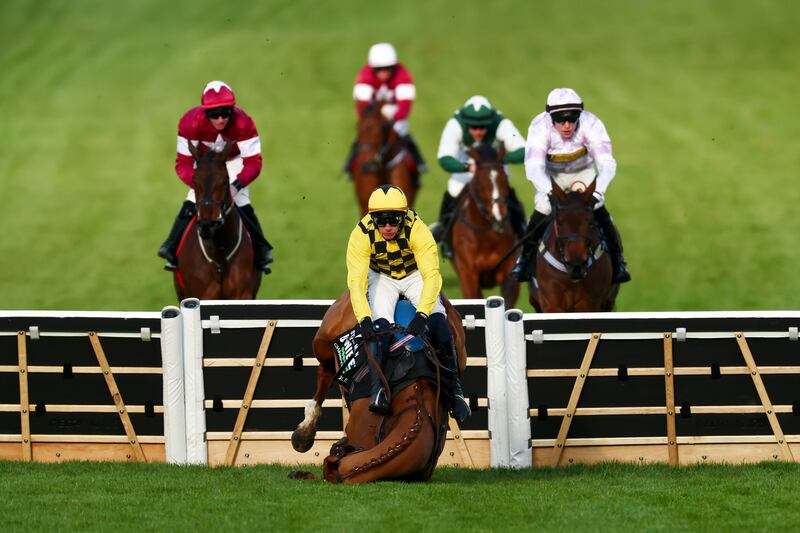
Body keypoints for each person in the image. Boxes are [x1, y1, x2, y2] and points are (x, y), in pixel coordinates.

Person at [346, 185, 470, 422]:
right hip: (381, 277)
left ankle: (455, 391)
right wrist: (364, 318)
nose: (388, 227)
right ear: (372, 219)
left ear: (403, 217)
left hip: (414, 275)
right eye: (381, 221)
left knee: (438, 323)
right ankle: (378, 390)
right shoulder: (361, 234)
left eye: (393, 220)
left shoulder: (418, 229)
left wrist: (422, 314)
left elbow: (432, 275)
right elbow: (356, 281)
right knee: (379, 329)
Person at [512, 87, 631, 283]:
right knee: (544, 207)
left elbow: (607, 164)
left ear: (579, 115)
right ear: (551, 117)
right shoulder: (539, 126)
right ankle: (524, 261)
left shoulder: (591, 123)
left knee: (598, 208)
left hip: (582, 173)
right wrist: (550, 193)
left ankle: (618, 261)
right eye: (560, 120)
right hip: (553, 176)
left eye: (572, 119)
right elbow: (533, 167)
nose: (567, 126)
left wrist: (597, 193)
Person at [157, 80, 273, 273]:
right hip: (204, 164)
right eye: (214, 114)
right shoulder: (190, 122)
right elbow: (183, 163)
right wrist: (200, 186)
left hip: (233, 161)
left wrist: (236, 185)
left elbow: (253, 162)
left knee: (241, 200)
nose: (220, 119)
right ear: (205, 112)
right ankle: (171, 245)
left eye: (225, 113)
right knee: (193, 199)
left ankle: (261, 250)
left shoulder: (243, 122)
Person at [429, 96, 528, 258]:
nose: (478, 132)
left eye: (482, 127)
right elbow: (444, 159)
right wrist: (467, 167)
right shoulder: (455, 125)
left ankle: (522, 229)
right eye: (473, 127)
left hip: (493, 167)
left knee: (503, 191)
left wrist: (498, 161)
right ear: (466, 123)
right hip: (468, 166)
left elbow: (523, 149)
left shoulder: (501, 123)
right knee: (454, 189)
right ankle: (444, 229)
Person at [344, 43, 426, 174]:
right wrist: (372, 120)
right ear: (373, 68)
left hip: (395, 114)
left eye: (388, 68)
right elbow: (362, 106)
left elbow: (404, 107)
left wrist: (393, 118)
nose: (383, 72)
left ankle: (418, 163)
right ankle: (349, 165)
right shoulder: (365, 75)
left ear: (394, 67)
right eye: (379, 69)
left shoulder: (403, 75)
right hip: (373, 115)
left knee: (403, 133)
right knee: (361, 138)